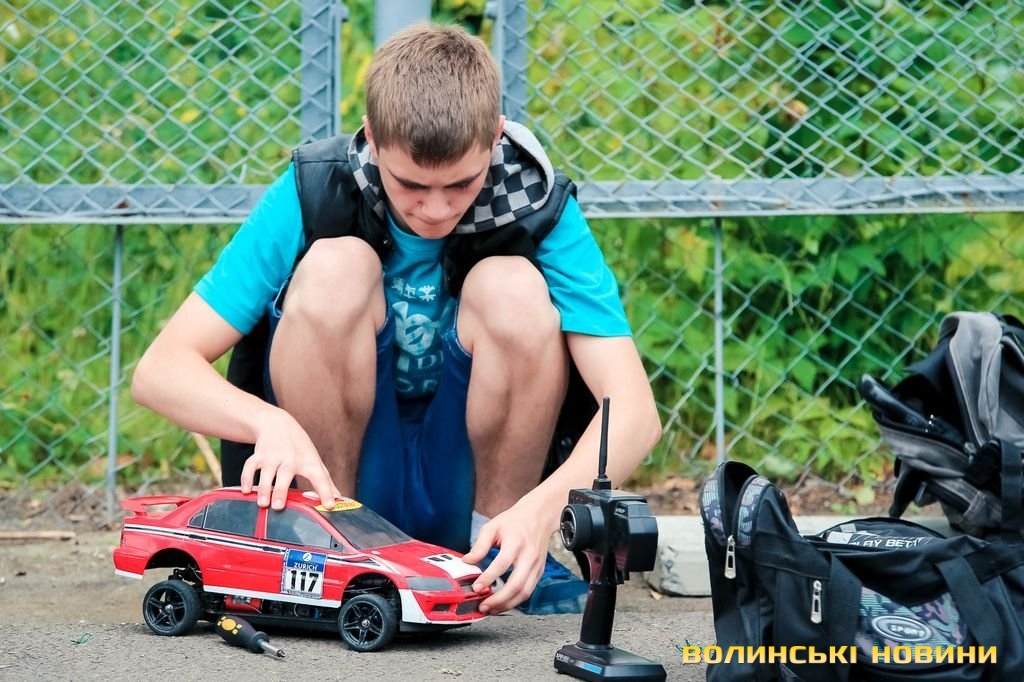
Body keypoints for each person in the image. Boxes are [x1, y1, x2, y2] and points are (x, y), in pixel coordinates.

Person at [131, 22, 661, 616]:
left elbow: (635, 414)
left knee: (511, 285)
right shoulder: (314, 188)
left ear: (495, 137)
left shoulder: (538, 205)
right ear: (372, 138)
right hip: (342, 487)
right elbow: (160, 371)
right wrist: (265, 421)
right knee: (336, 266)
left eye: (461, 184)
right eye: (411, 184)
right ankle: (326, 561)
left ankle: (498, 559)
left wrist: (539, 511)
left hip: (471, 487)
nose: (435, 209)